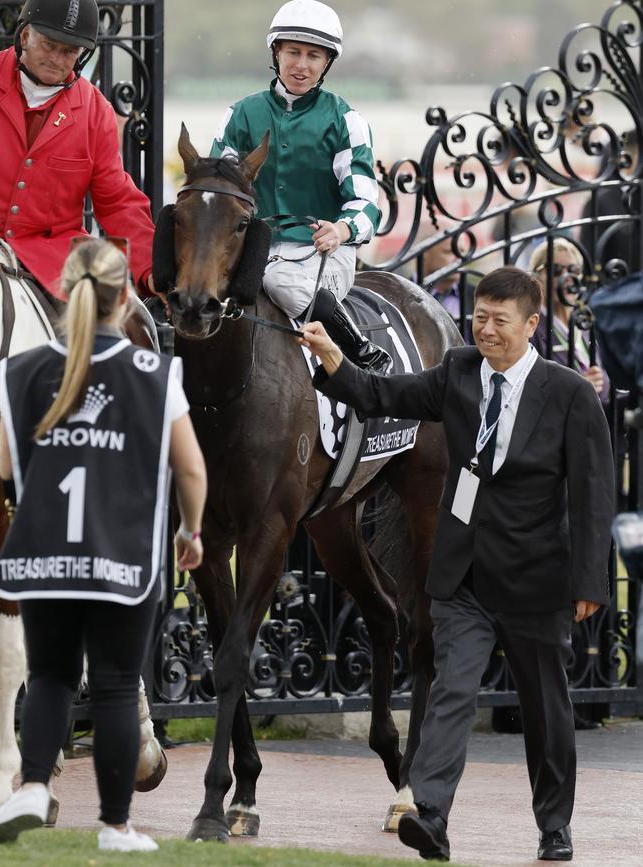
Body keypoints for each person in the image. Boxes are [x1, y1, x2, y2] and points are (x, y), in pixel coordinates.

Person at [299, 266, 614, 862]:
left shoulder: (568, 393)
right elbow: (380, 395)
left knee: (546, 710)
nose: (486, 330)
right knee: (450, 693)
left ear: (530, 325)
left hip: (535, 580)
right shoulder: (459, 373)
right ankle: (432, 816)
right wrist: (333, 359)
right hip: (463, 575)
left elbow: (595, 496)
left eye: (499, 321)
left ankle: (554, 825)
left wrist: (588, 581)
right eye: (479, 318)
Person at [0, 239, 206, 851]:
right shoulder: (153, 372)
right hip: (120, 554)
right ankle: (115, 826)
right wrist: (190, 530)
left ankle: (32, 784)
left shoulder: (21, 371)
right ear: (124, 300)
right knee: (114, 685)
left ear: (62, 290)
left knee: (50, 676)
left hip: (43, 555)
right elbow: (190, 469)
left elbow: (4, 463)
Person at [210, 0, 391, 373]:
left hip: (322, 251)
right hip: (254, 249)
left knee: (277, 281)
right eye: (293, 52)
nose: (302, 65)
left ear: (327, 63)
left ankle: (362, 351)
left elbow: (364, 202)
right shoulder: (240, 115)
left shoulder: (346, 120)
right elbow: (218, 191)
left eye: (314, 56)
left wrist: (341, 229)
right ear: (276, 52)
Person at [0, 0, 156, 300]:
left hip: (56, 254)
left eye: (69, 51)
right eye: (49, 45)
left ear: (82, 54)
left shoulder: (96, 112)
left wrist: (152, 268)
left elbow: (118, 202)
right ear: (25, 36)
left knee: (121, 316)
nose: (56, 58)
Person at [529, 238, 609, 403]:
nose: (567, 277)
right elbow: (531, 391)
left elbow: (608, 380)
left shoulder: (586, 321)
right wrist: (579, 388)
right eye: (556, 270)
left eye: (574, 270)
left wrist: (600, 383)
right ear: (537, 277)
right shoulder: (532, 327)